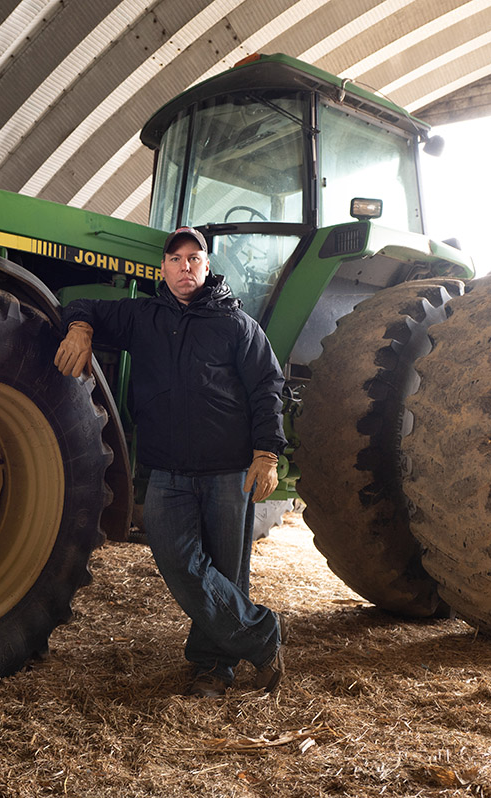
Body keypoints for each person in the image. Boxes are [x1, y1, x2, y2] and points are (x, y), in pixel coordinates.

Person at [54, 226, 288, 697]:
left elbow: (268, 388)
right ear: (163, 268)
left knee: (226, 571)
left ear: (207, 265)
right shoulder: (144, 316)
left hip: (227, 471)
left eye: (193, 258)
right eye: (176, 258)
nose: (185, 266)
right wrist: (80, 328)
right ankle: (262, 635)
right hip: (167, 471)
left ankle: (212, 670)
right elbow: (80, 305)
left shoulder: (237, 324)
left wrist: (266, 453)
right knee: (175, 557)